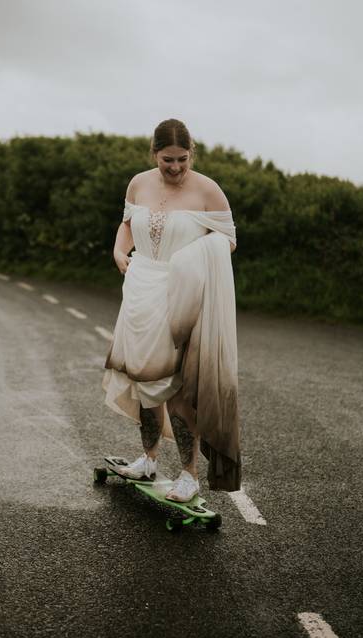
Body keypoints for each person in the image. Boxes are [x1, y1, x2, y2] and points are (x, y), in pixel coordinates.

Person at [103, 118, 241, 501]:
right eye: (168, 160)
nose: (176, 167)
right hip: (140, 287)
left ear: (191, 153)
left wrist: (189, 260)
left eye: (182, 159)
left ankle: (189, 474)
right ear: (154, 154)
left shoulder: (209, 191)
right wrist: (119, 250)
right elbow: (127, 224)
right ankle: (148, 459)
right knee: (143, 379)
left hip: (182, 291)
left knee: (176, 386)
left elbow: (227, 241)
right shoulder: (138, 183)